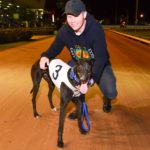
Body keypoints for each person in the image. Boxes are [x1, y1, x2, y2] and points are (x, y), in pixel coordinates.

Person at [39, 0, 118, 117]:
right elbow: (55, 47)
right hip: (78, 65)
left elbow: (101, 58)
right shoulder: (65, 31)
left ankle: (107, 99)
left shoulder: (96, 30)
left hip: (98, 65)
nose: (72, 20)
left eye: (76, 15)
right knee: (69, 82)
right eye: (69, 16)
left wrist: (91, 79)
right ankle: (79, 108)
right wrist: (45, 55)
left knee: (111, 92)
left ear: (84, 15)